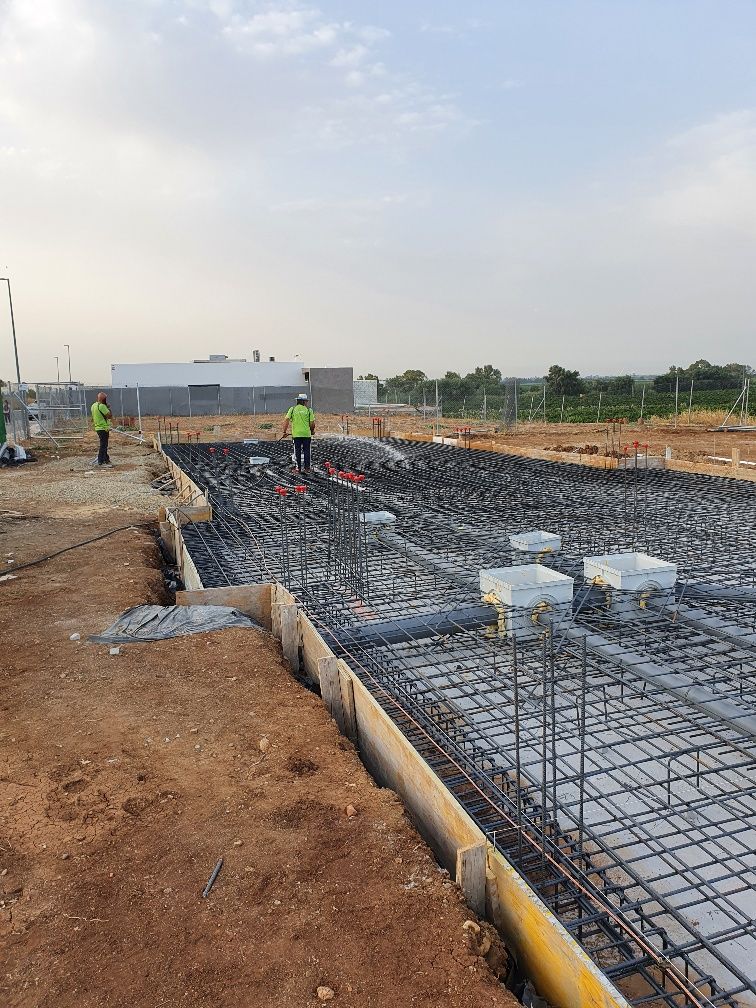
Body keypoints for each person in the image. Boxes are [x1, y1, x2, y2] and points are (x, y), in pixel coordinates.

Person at [282, 392, 315, 473]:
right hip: (306, 435)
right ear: (304, 401)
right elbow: (312, 423)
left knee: (297, 451)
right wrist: (312, 431)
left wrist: (284, 431)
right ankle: (307, 468)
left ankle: (298, 469)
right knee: (307, 451)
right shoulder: (309, 410)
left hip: (296, 435)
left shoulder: (292, 409)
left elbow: (286, 420)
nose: (307, 403)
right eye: (306, 401)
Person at [91, 392, 114, 467]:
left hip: (98, 428)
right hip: (103, 428)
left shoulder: (93, 405)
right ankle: (100, 461)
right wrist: (108, 408)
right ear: (103, 399)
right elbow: (109, 416)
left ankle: (106, 459)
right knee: (103, 445)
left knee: (104, 444)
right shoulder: (102, 406)